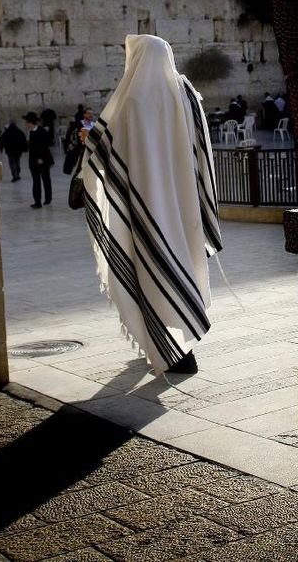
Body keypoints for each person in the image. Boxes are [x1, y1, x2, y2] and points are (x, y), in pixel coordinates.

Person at [81, 34, 222, 375]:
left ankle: (173, 351)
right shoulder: (186, 94)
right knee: (182, 264)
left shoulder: (132, 101)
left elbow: (103, 151)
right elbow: (202, 147)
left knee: (149, 266)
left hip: (145, 203)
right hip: (183, 201)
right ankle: (181, 348)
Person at [22, 112, 54, 208]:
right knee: (36, 181)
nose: (25, 124)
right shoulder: (29, 132)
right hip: (33, 161)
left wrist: (41, 158)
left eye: (26, 122)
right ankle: (37, 202)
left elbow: (47, 144)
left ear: (30, 122)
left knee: (46, 180)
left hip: (42, 160)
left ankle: (48, 199)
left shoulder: (42, 131)